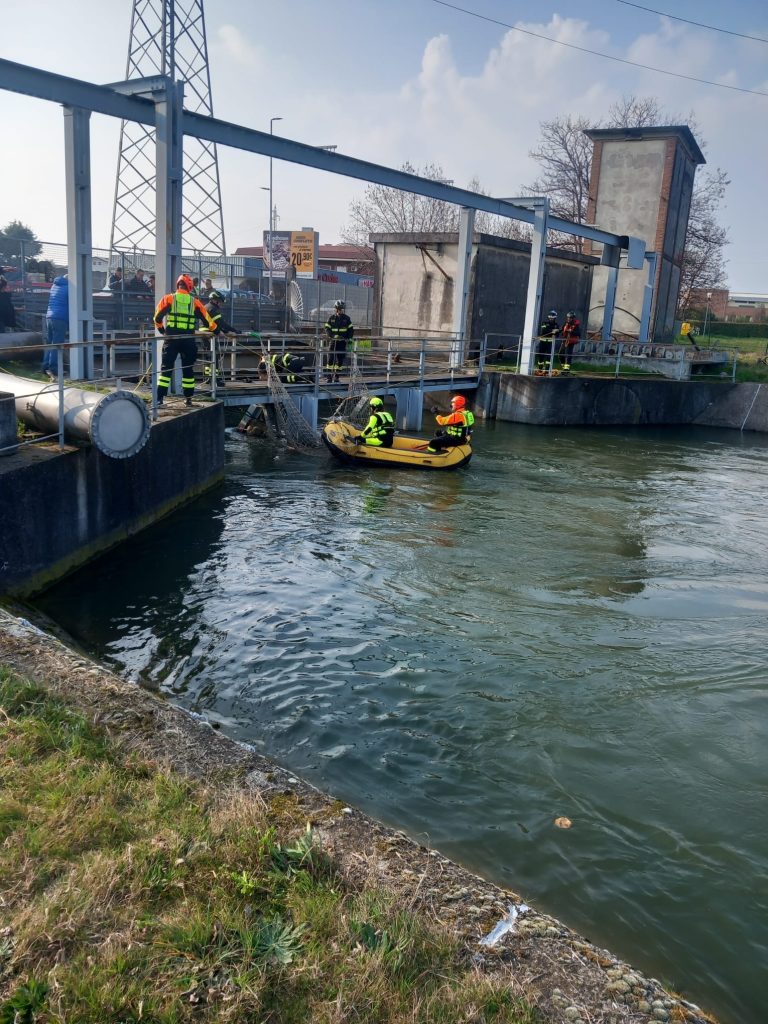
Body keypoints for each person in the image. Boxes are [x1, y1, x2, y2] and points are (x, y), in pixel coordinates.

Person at [153, 274, 218, 406]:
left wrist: (162, 330)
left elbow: (157, 317)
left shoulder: (169, 298)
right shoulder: (194, 301)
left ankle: (159, 399)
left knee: (166, 369)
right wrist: (217, 331)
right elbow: (207, 319)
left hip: (171, 339)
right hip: (188, 340)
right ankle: (188, 398)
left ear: (178, 285)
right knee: (188, 369)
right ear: (189, 286)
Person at [204, 290, 239, 388]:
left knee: (208, 357)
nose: (220, 304)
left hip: (204, 335)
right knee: (215, 357)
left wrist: (223, 330)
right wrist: (234, 330)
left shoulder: (206, 307)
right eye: (220, 301)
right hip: (210, 335)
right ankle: (217, 380)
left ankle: (208, 378)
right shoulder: (213, 309)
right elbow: (221, 323)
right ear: (215, 300)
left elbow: (216, 324)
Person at [44, 273, 69, 380]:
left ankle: (45, 366)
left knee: (50, 343)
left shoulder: (54, 285)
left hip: (49, 317)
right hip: (60, 318)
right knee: (57, 344)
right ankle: (54, 369)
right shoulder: (69, 288)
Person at [324, 299, 353, 382]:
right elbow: (327, 328)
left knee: (340, 360)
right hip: (333, 342)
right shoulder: (331, 318)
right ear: (336, 309)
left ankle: (336, 376)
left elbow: (350, 330)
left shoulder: (347, 319)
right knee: (330, 359)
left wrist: (349, 338)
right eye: (339, 309)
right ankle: (329, 376)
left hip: (342, 343)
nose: (341, 310)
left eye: (342, 309)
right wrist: (332, 336)